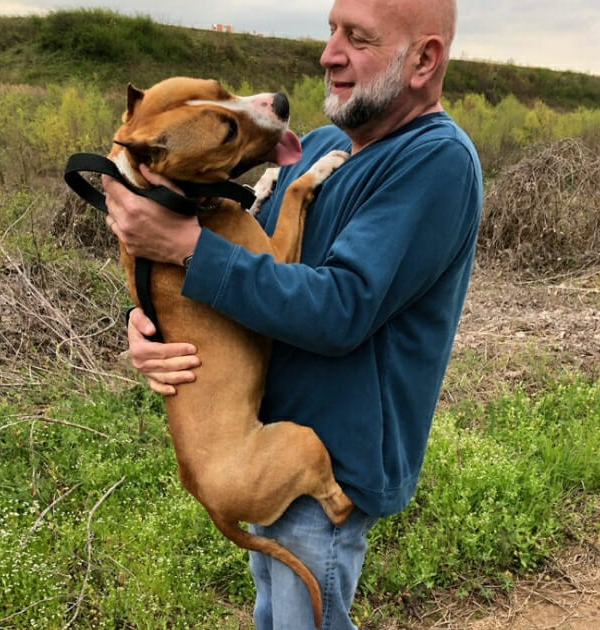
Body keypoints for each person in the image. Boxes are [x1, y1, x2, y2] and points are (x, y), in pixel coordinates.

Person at [102, 0, 482, 627]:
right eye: (331, 30)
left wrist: (189, 250)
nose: (329, 53)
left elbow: (339, 309)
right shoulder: (318, 148)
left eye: (356, 37)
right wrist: (149, 322)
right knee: (277, 618)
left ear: (424, 58)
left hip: (328, 456)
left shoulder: (435, 161)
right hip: (265, 441)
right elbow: (258, 278)